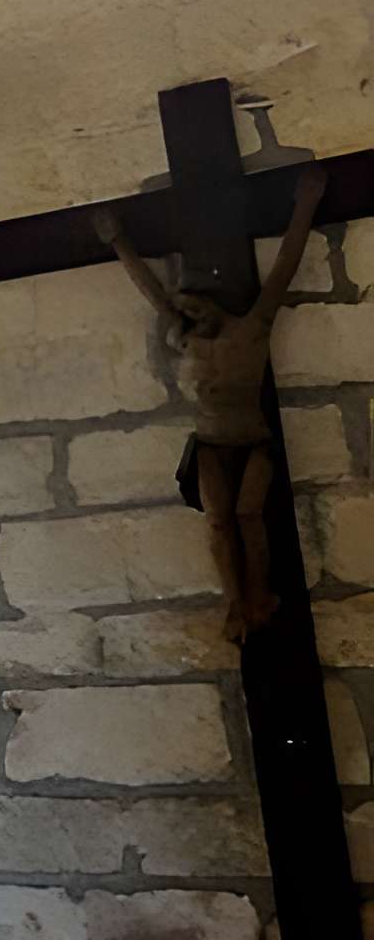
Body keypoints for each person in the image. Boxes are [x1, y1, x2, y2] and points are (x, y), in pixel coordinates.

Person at [97, 161, 327, 645]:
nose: (182, 311)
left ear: (211, 300)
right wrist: (118, 241)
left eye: (192, 305)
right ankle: (237, 604)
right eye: (183, 310)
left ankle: (258, 595)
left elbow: (285, 266)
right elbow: (150, 290)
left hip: (252, 440)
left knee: (248, 516)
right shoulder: (190, 340)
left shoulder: (252, 328)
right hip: (209, 444)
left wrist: (305, 204)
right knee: (220, 524)